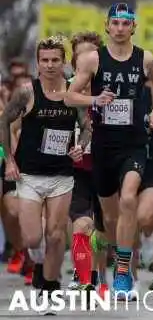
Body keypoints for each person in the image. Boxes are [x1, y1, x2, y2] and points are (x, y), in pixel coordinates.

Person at [66, 3, 153, 297]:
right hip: (104, 146)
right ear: (107, 26)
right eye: (116, 23)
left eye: (126, 23)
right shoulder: (93, 60)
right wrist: (95, 99)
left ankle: (122, 271)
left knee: (128, 199)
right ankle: (117, 262)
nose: (121, 28)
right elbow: (70, 96)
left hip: (134, 143)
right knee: (110, 219)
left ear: (133, 27)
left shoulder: (145, 58)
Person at [1, 36, 88, 295]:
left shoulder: (73, 93)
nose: (50, 65)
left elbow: (87, 127)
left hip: (62, 174)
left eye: (55, 60)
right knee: (32, 238)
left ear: (64, 62)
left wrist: (81, 146)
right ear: (38, 63)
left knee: (56, 234)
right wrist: (9, 160)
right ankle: (39, 263)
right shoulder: (27, 92)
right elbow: (3, 121)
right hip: (29, 175)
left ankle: (50, 285)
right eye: (45, 60)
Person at [65, 32, 105, 295]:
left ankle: (101, 273)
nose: (85, 59)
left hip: (106, 168)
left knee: (103, 229)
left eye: (91, 54)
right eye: (80, 55)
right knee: (81, 224)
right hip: (75, 171)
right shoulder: (64, 92)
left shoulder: (110, 89)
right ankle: (84, 276)